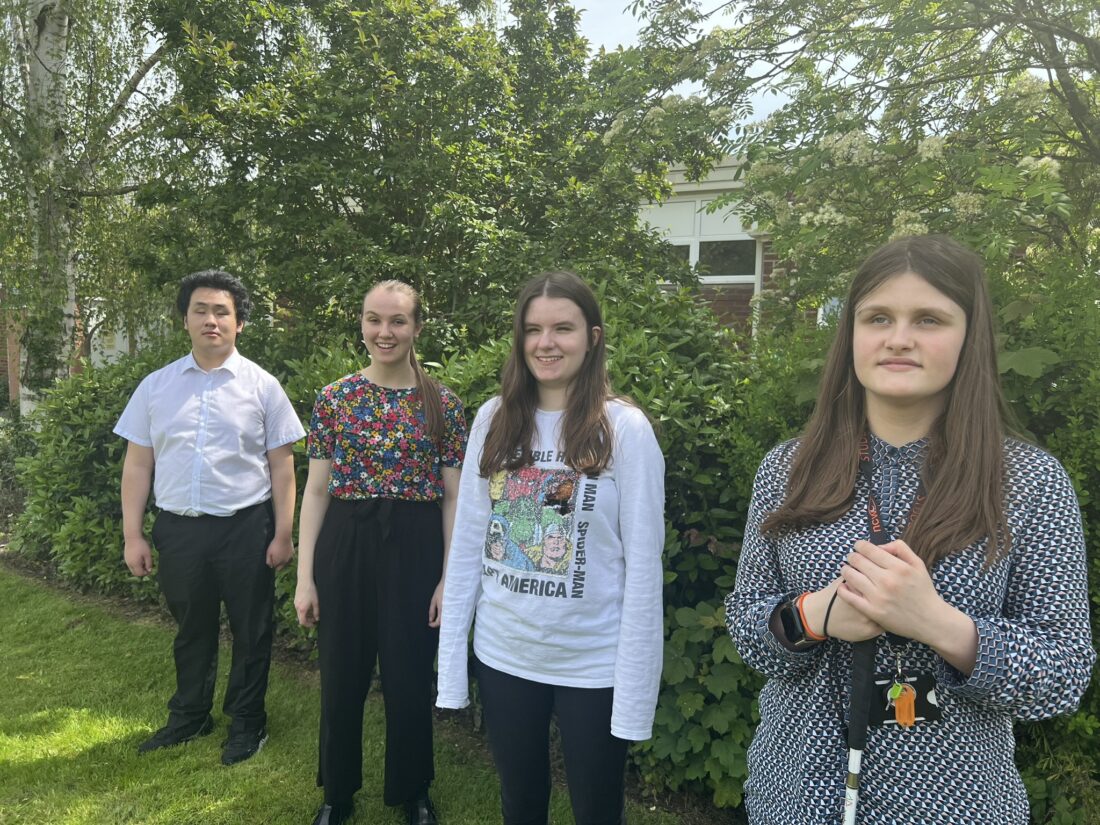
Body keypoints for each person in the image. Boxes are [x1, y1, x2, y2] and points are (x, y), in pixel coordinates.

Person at [725, 235, 1095, 824]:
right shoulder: (789, 469)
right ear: (851, 334)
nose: (899, 338)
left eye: (929, 319)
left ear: (969, 336)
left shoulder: (1026, 482)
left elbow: (1063, 672)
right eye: (878, 318)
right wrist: (814, 616)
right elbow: (748, 629)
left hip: (957, 805)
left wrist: (943, 627)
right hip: (794, 797)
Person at [437, 270, 666, 825]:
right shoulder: (493, 419)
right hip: (506, 653)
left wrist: (634, 697)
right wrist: (450, 670)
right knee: (520, 805)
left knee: (597, 809)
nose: (546, 343)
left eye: (562, 328)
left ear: (592, 336)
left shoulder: (624, 429)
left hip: (592, 664)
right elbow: (468, 544)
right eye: (533, 329)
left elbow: (643, 572)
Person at [115, 269, 305, 765]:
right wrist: (132, 533)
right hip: (179, 530)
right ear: (185, 320)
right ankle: (190, 714)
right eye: (201, 310)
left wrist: (284, 533)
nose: (211, 320)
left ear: (239, 323)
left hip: (246, 528)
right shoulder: (156, 387)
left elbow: (283, 467)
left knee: (251, 630)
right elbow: (138, 464)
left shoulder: (263, 387)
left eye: (222, 311)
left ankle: (247, 723)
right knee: (191, 627)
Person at [294, 281, 466, 825]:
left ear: (417, 327)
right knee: (341, 673)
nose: (383, 332)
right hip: (346, 541)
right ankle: (336, 794)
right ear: (362, 324)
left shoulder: (444, 404)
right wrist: (305, 578)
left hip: (415, 546)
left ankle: (413, 790)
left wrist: (447, 577)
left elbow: (455, 496)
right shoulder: (335, 398)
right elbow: (316, 492)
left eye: (396, 321)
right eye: (374, 320)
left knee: (409, 674)